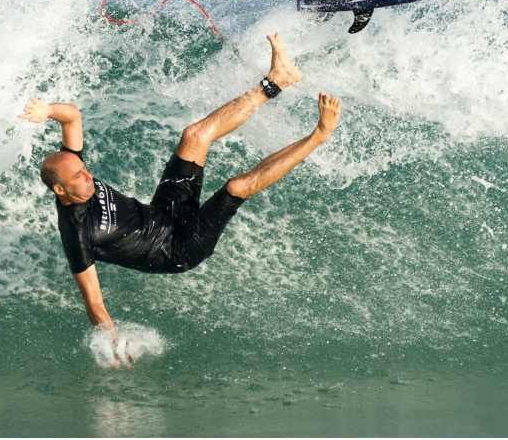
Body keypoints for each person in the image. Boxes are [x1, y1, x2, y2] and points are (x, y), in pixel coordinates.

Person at [20, 34, 336, 367]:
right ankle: (319, 134)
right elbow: (94, 303)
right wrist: (113, 342)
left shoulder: (72, 168)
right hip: (179, 250)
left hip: (163, 214)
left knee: (194, 135)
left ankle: (278, 80)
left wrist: (47, 111)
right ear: (60, 191)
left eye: (85, 170)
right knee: (236, 187)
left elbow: (72, 117)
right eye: (79, 179)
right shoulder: (77, 232)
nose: (88, 178)